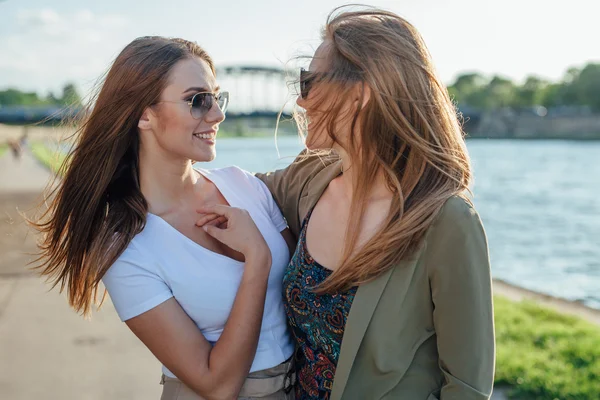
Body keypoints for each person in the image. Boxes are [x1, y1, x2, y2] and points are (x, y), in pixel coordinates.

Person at [32, 36, 295, 400]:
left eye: (217, 98)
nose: (217, 114)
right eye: (198, 101)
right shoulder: (125, 247)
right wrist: (257, 258)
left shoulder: (244, 185)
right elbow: (217, 385)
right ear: (144, 114)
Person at [254, 7, 495, 400]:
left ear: (361, 92)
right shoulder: (311, 178)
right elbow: (220, 192)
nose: (300, 101)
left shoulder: (446, 221)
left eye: (308, 82)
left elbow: (468, 386)